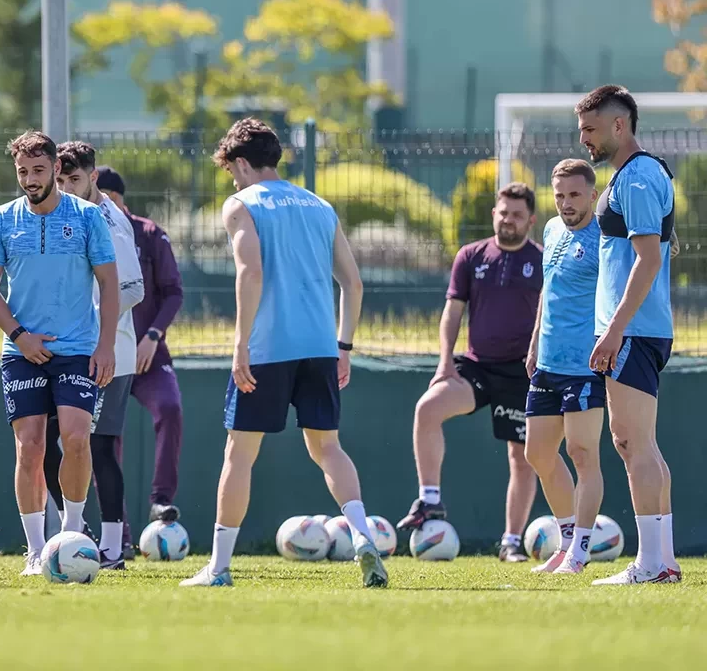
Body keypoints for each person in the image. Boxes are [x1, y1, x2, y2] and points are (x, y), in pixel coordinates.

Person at [181, 118, 387, 589]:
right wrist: (344, 346)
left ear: (239, 163)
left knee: (239, 454)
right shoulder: (319, 206)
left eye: (231, 170)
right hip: (320, 347)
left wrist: (239, 344)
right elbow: (352, 283)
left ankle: (218, 568)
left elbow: (249, 273)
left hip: (267, 349)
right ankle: (361, 536)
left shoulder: (241, 204)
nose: (232, 180)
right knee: (328, 448)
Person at [0, 130, 119, 577]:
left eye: (39, 170)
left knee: (76, 439)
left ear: (56, 168)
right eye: (23, 171)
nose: (30, 179)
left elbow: (110, 284)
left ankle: (73, 539)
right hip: (23, 351)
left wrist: (106, 344)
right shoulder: (0, 219)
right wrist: (20, 337)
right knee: (30, 448)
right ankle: (36, 551)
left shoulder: (87, 217)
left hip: (77, 349)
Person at [395, 183, 543, 563]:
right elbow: (452, 312)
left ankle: (511, 541)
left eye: (516, 214)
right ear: (494, 213)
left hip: (523, 372)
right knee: (428, 409)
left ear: (531, 220)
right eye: (503, 212)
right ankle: (430, 501)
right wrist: (445, 361)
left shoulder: (542, 259)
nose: (508, 219)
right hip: (477, 366)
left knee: (522, 458)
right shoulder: (470, 256)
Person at [575, 85, 679, 585]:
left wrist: (613, 331)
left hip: (633, 331)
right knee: (644, 446)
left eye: (591, 130)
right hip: (640, 328)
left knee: (630, 442)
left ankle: (650, 564)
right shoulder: (638, 176)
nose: (585, 141)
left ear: (620, 126)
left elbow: (650, 257)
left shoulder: (637, 177)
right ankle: (664, 560)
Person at [42, 142, 144, 570]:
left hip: (107, 353)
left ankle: (111, 546)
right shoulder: (62, 214)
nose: (65, 187)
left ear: (93, 178)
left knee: (98, 447)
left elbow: (131, 288)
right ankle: (76, 533)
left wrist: (94, 330)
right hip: (67, 350)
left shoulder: (107, 220)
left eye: (74, 180)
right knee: (48, 444)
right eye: (59, 180)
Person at [522, 159, 606, 575]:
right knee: (537, 452)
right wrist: (535, 343)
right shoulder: (552, 230)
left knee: (581, 453)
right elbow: (548, 290)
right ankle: (567, 539)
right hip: (548, 363)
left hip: (585, 365)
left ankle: (583, 549)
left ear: (592, 194)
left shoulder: (606, 237)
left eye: (574, 195)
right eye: (559, 195)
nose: (566, 203)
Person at [98, 166, 185, 532]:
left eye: (111, 199)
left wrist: (152, 335)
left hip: (147, 355)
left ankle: (161, 500)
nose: (106, 206)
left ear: (121, 199)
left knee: (170, 408)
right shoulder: (83, 229)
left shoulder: (148, 233)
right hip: (105, 356)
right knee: (105, 438)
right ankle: (120, 529)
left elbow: (173, 292)